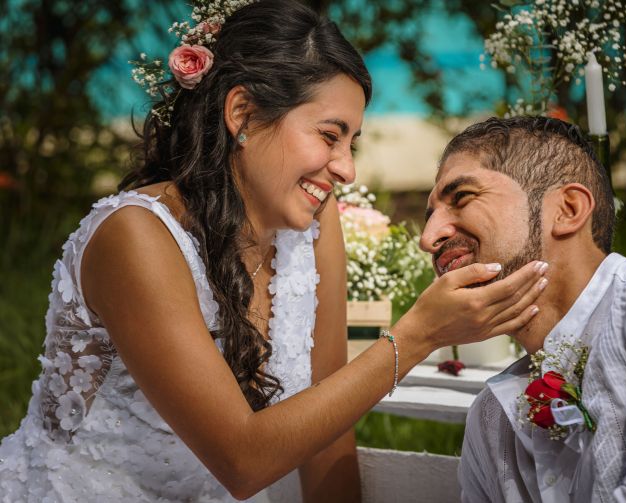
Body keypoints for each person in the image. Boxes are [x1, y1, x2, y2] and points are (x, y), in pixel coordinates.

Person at [0, 2, 550, 502]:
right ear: (242, 114)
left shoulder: (311, 225)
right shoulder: (135, 238)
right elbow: (240, 460)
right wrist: (419, 334)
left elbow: (328, 430)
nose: (346, 168)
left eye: (351, 142)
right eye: (329, 135)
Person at [419, 115, 626, 502]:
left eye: (461, 198)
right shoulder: (493, 416)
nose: (429, 238)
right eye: (429, 218)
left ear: (568, 209)